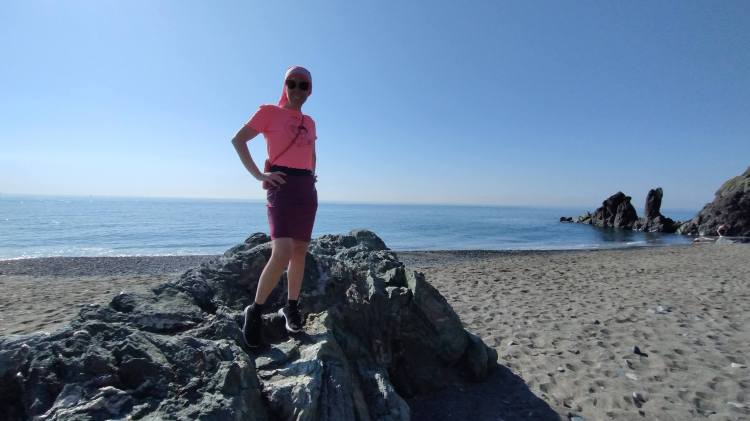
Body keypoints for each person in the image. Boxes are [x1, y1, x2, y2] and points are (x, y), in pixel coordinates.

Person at [230, 66, 318, 348]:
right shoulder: (269, 112)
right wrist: (260, 175)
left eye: (303, 85)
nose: (297, 89)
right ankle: (255, 311)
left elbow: (311, 152)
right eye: (292, 83)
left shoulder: (310, 121)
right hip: (281, 185)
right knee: (282, 251)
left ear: (309, 90)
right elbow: (238, 140)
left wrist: (311, 176)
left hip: (306, 188)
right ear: (285, 86)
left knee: (300, 251)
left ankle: (291, 307)